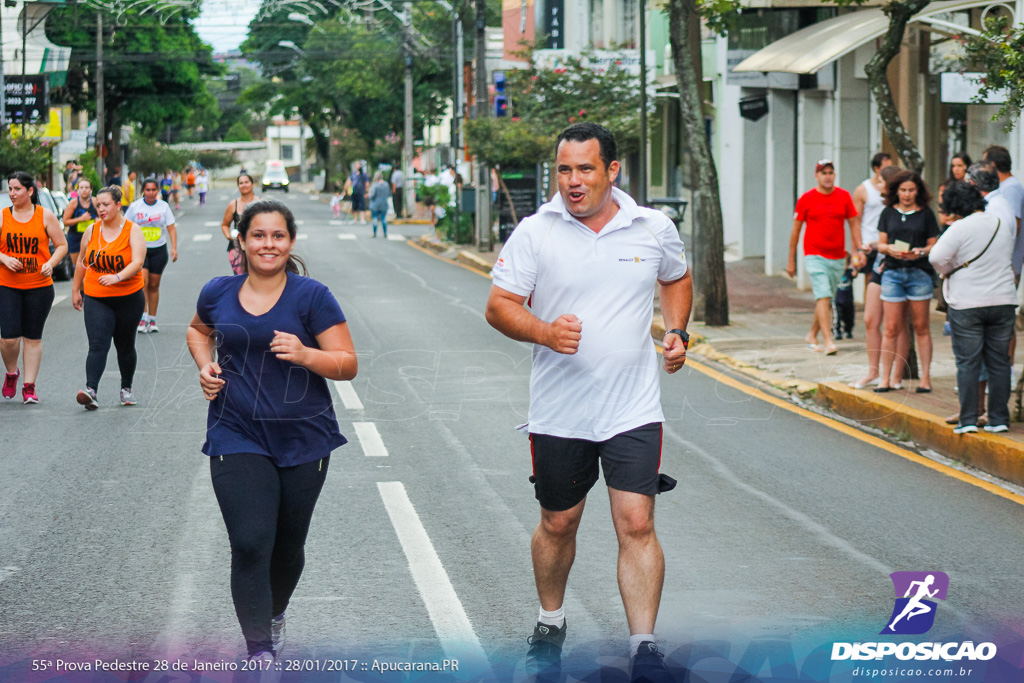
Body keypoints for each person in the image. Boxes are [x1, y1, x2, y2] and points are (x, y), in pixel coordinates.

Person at [485, 122, 692, 683]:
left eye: (585, 169)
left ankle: (643, 646)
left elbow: (676, 277)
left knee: (637, 521)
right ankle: (550, 623)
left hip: (632, 408)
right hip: (560, 411)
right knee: (558, 522)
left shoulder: (651, 227)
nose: (573, 182)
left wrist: (677, 332)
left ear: (612, 171)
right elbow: (500, 305)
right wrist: (546, 332)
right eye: (564, 170)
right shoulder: (536, 231)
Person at [186, 199, 357, 667]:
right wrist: (206, 366)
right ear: (241, 240)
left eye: (277, 236)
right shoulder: (217, 292)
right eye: (258, 235)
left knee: (287, 547)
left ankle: (275, 614)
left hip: (305, 437)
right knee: (249, 542)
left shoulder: (312, 297)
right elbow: (198, 331)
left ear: (291, 242)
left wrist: (306, 355)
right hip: (235, 431)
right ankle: (259, 651)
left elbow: (346, 363)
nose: (268, 244)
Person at [931, 181, 1016, 434]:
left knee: (968, 362)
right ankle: (998, 419)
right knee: (999, 362)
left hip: (967, 303)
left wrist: (948, 272)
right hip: (1003, 301)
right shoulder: (1002, 223)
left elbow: (936, 257)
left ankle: (968, 420)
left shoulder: (959, 228)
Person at [71, 186, 146, 409]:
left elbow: (138, 262)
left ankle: (126, 388)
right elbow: (81, 262)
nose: (101, 209)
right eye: (98, 205)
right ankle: (91, 390)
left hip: (129, 297)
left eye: (106, 205)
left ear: (117, 205)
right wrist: (76, 289)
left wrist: (118, 277)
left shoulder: (133, 230)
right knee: (98, 344)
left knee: (124, 344)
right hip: (96, 296)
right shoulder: (92, 231)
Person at [0, 171, 68, 404]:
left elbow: (61, 245)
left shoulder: (44, 216)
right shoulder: (2, 216)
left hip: (39, 286)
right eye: (10, 189)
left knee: (32, 338)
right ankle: (11, 373)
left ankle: (29, 387)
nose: (12, 193)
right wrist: (4, 258)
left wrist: (50, 263)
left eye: (17, 189)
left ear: (30, 191)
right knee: (8, 339)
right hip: (7, 285)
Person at [787, 160, 863, 356]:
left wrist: (858, 250)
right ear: (817, 176)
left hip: (838, 256)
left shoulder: (844, 196)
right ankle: (828, 341)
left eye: (830, 172)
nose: (827, 176)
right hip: (814, 254)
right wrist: (791, 260)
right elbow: (795, 231)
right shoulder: (806, 199)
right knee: (823, 295)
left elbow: (854, 224)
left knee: (826, 298)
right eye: (823, 173)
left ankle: (812, 334)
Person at [874, 170, 939, 394]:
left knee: (921, 327)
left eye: (911, 190)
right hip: (892, 273)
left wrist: (920, 252)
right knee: (891, 328)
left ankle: (926, 378)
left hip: (918, 273)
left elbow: (934, 245)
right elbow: (881, 244)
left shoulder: (926, 214)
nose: (907, 194)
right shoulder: (887, 213)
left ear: (918, 191)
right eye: (903, 190)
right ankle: (885, 379)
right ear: (896, 191)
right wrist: (888, 249)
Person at [850, 164, 907, 389]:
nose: (878, 185)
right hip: (879, 265)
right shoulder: (885, 209)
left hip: (897, 268)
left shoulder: (903, 210)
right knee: (870, 319)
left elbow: (905, 242)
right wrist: (873, 246)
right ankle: (873, 371)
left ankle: (896, 376)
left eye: (881, 181)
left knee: (897, 325)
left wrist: (883, 247)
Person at [126, 179, 178, 333]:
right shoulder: (135, 207)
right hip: (140, 251)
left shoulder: (164, 207)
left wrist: (174, 248)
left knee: (154, 285)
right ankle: (142, 317)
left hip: (159, 250)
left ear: (158, 191)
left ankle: (152, 319)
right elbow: (126, 227)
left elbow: (171, 228)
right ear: (143, 191)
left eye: (154, 190)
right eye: (147, 190)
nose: (151, 193)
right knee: (143, 282)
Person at [221, 173, 258, 276]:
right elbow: (225, 225)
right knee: (241, 278)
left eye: (246, 182)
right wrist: (229, 236)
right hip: (237, 248)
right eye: (241, 183)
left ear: (252, 184)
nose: (244, 185)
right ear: (238, 186)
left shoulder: (261, 203)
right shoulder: (233, 205)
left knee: (257, 277)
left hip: (257, 246)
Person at [62, 177, 99, 278]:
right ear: (77, 190)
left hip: (92, 239)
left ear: (91, 190)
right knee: (79, 268)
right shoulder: (73, 203)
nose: (84, 190)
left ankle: (89, 291)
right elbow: (65, 221)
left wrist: (99, 221)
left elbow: (104, 217)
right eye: (81, 187)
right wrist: (80, 219)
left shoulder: (96, 202)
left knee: (90, 268)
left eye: (87, 187)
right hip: (75, 238)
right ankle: (81, 292)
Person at [938, 153, 972, 227]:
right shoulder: (945, 187)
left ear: (967, 167)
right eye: (953, 166)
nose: (956, 169)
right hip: (949, 228)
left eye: (960, 166)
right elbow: (942, 219)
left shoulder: (972, 187)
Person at [368, 171, 391, 238]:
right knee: (383, 218)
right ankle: (385, 233)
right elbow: (389, 194)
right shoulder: (386, 184)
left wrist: (368, 196)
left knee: (375, 218)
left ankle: (374, 233)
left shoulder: (375, 185)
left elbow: (372, 195)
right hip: (384, 204)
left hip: (375, 204)